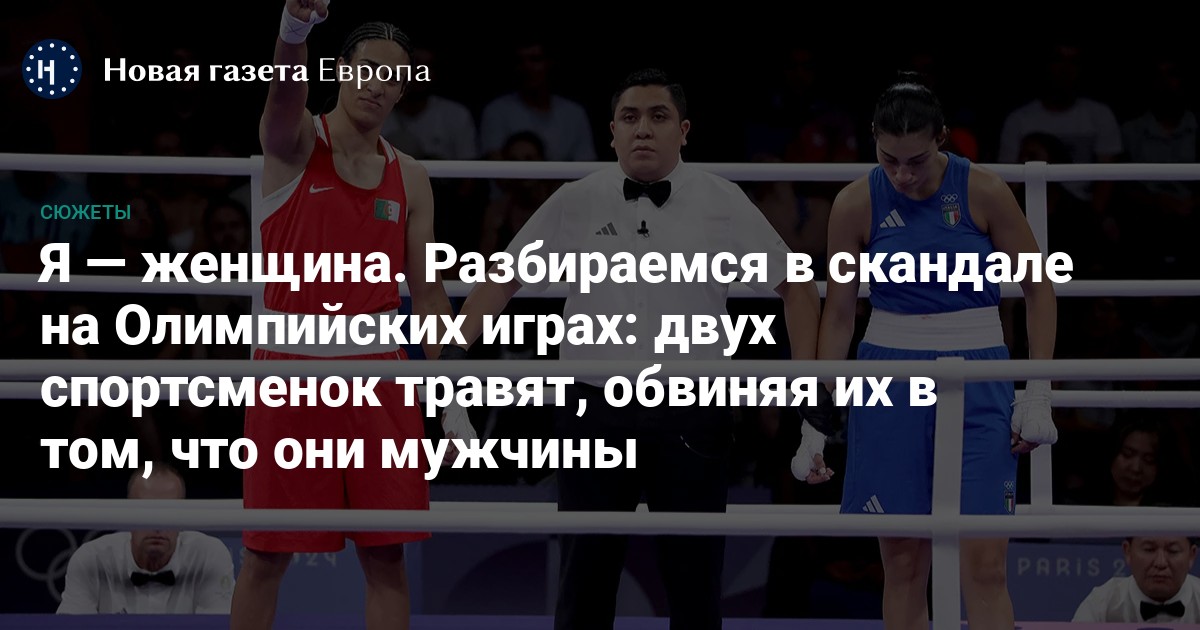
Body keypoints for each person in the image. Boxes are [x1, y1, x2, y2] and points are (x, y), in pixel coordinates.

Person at [439, 67, 832, 630]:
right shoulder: (578, 198)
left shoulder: (721, 199)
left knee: (695, 584)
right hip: (593, 407)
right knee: (584, 580)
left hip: (693, 408)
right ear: (611, 132)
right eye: (630, 117)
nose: (643, 128)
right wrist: (451, 370)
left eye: (658, 116)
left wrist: (809, 393)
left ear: (684, 130)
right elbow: (501, 279)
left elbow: (797, 286)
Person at [229, 3, 472, 629]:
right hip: (290, 372)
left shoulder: (411, 177)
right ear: (341, 69)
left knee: (386, 557)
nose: (377, 84)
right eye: (367, 69)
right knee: (264, 556)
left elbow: (428, 295)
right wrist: (293, 30)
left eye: (392, 76)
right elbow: (283, 95)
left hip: (379, 376)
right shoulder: (294, 143)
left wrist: (452, 397)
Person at [792, 73, 1060, 630]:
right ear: (872, 137)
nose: (903, 175)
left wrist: (1037, 391)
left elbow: (1039, 289)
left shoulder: (984, 190)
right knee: (904, 565)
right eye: (889, 160)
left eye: (915, 160)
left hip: (979, 371)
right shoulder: (854, 203)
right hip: (888, 375)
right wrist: (817, 417)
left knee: (985, 567)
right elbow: (839, 314)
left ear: (941, 138)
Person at [57, 464, 235, 615]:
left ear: (183, 516)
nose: (157, 525)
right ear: (127, 514)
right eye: (147, 511)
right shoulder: (91, 559)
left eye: (169, 512)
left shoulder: (209, 556)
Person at [1072, 536, 1200, 623]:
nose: (1160, 562)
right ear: (1127, 551)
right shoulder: (1101, 604)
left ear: (1192, 555)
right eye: (1149, 549)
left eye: (1173, 551)